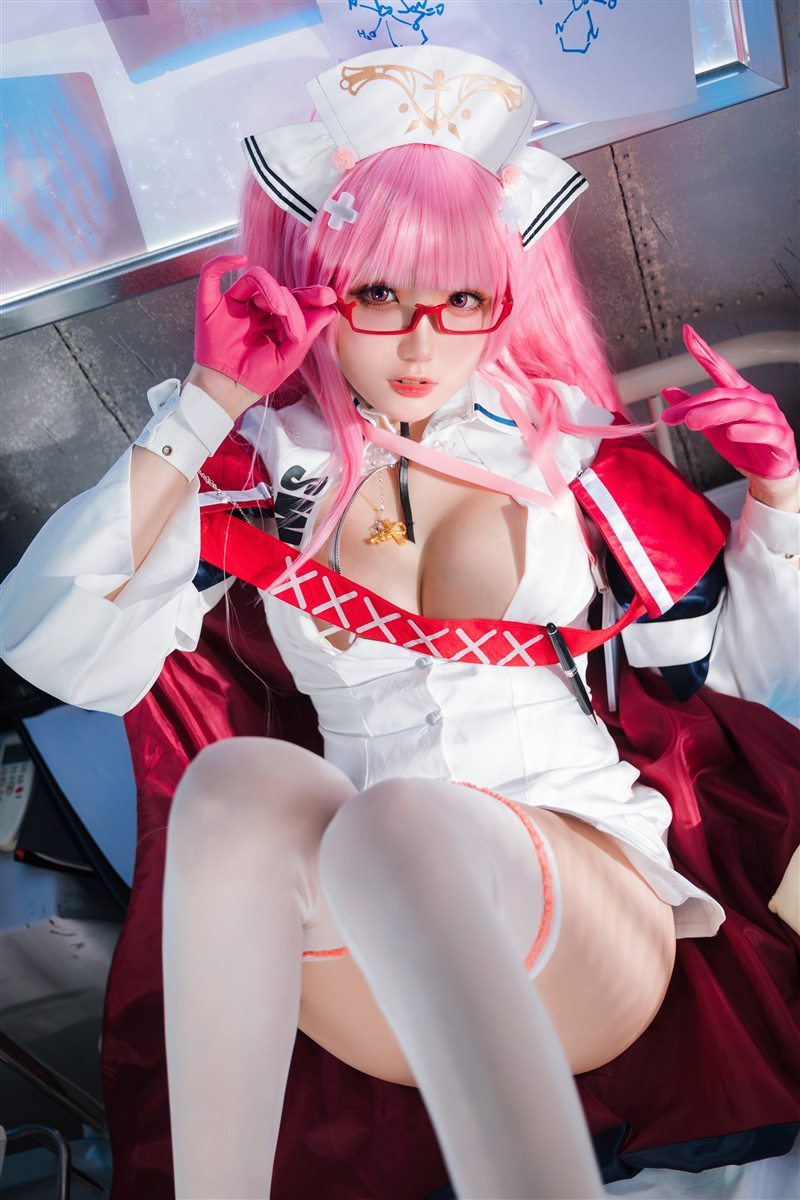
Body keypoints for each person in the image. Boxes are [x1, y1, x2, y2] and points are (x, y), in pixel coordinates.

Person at [1, 44, 798, 1200]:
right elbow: (47, 639)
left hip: (582, 900)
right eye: (379, 294)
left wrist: (775, 500)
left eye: (460, 297)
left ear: (503, 294)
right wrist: (208, 404)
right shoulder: (262, 461)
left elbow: (732, 678)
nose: (421, 343)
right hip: (369, 938)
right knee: (235, 787)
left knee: (401, 825)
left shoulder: (562, 444)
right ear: (321, 286)